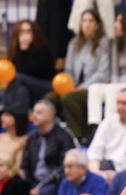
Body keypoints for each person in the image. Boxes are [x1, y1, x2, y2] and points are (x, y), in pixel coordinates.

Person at [45, 9, 110, 141]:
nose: (87, 24)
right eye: (84, 21)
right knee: (49, 98)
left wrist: (81, 87)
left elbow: (102, 73)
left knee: (68, 98)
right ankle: (51, 134)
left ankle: (77, 135)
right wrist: (66, 86)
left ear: (97, 25)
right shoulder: (74, 43)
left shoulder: (104, 43)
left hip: (92, 87)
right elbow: (68, 70)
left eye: (90, 21)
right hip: (72, 86)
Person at [21, 100, 76, 195]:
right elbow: (24, 164)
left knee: (45, 193)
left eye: (39, 112)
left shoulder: (63, 136)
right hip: (34, 181)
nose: (34, 115)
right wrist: (28, 186)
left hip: (54, 181)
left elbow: (63, 167)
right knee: (17, 189)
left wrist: (40, 187)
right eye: (34, 112)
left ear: (50, 116)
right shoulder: (31, 137)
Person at [0, 20, 55, 113]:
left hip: (45, 85)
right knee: (21, 91)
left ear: (35, 33)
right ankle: (18, 117)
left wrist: (24, 49)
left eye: (29, 31)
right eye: (22, 31)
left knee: (16, 78)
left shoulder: (44, 49)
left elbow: (25, 71)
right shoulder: (14, 49)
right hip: (27, 86)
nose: (25, 35)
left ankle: (4, 111)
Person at [0, 109, 29, 182]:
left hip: (12, 181)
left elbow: (18, 168)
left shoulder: (25, 140)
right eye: (2, 115)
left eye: (7, 115)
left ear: (17, 118)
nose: (2, 117)